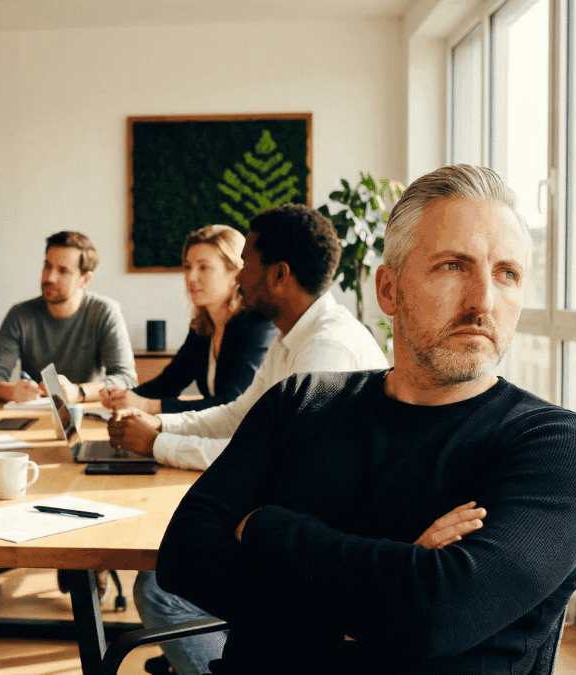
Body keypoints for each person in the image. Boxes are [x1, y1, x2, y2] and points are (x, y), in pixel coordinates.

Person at [155, 165, 576, 674]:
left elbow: (436, 614)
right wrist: (396, 574)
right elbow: (184, 555)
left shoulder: (555, 447)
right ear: (388, 291)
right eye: (454, 266)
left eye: (507, 274)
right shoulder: (299, 402)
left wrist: (263, 527)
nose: (483, 301)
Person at [111, 204, 389, 675]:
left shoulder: (326, 350)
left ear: (279, 274)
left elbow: (267, 461)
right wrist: (162, 428)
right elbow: (242, 417)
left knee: (159, 587)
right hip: (289, 520)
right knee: (170, 562)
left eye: (246, 263)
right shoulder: (291, 338)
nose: (239, 277)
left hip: (325, 550)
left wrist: (156, 444)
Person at [100, 225, 275, 415]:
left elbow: (232, 405)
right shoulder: (202, 327)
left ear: (236, 274)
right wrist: (123, 397)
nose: (191, 277)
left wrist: (149, 406)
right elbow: (169, 383)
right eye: (187, 267)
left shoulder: (260, 326)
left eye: (204, 267)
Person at [0, 230, 137, 403]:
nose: (50, 277)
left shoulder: (105, 312)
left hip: (87, 413)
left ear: (85, 280)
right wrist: (12, 391)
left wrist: (78, 392)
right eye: (47, 266)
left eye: (63, 271)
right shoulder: (20, 316)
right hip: (35, 413)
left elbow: (126, 379)